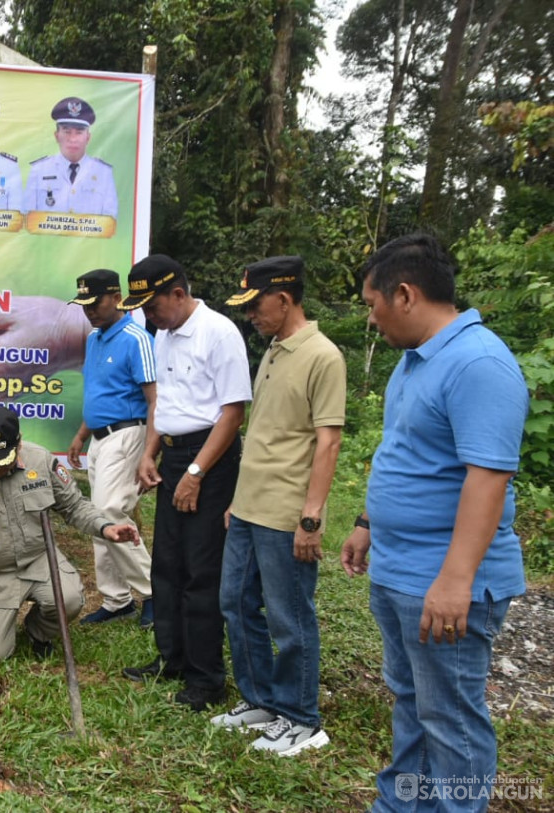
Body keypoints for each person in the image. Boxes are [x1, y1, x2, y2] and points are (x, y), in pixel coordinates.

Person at [341, 234, 528, 810]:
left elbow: (487, 478)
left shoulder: (479, 364)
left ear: (405, 294)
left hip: (442, 581)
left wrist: (455, 580)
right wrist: (368, 521)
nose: (371, 320)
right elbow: (406, 451)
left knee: (450, 717)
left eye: (373, 305)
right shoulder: (416, 361)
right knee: (411, 700)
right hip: (401, 569)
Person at [213, 256, 344, 755]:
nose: (251, 315)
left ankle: (302, 718)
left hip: (287, 513)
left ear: (284, 299)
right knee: (236, 603)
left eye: (256, 305)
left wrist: (310, 517)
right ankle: (262, 700)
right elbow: (265, 434)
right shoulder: (273, 350)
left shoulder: (322, 355)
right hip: (249, 507)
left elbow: (327, 442)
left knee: (290, 619)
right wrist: (238, 501)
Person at [119, 254, 252, 712]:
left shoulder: (219, 333)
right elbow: (165, 402)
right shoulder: (163, 334)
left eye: (152, 306)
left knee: (201, 571)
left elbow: (233, 413)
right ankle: (171, 658)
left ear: (178, 293)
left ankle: (206, 678)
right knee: (167, 565)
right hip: (174, 454)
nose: (147, 316)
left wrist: (196, 473)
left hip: (208, 461)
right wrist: (150, 451)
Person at [0, 406, 140, 665]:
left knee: (70, 599)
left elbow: (74, 506)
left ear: (18, 444)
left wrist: (105, 527)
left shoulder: (41, 462)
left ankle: (38, 632)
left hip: (38, 561)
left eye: (3, 458)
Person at [64, 269, 155, 628]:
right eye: (83, 304)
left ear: (116, 298)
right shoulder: (95, 338)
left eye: (95, 302)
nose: (89, 310)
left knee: (110, 512)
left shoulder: (136, 338)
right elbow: (99, 392)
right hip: (100, 438)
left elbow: (154, 400)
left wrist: (150, 451)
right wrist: (82, 434)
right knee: (98, 518)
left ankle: (152, 592)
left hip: (128, 434)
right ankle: (117, 600)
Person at [23, 97, 118, 218]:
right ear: (57, 136)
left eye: (79, 132)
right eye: (67, 131)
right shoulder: (39, 170)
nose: (73, 139)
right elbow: (28, 218)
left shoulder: (103, 172)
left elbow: (110, 220)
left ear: (88, 137)